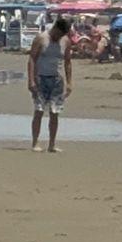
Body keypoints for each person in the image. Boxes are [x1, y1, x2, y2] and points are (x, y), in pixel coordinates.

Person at [26, 18, 73, 152]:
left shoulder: (65, 41)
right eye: (58, 34)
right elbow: (32, 60)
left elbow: (68, 62)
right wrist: (31, 81)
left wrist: (69, 82)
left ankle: (51, 144)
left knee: (54, 112)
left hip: (57, 80)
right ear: (55, 28)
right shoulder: (41, 39)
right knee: (39, 111)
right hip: (41, 78)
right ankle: (35, 142)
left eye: (62, 35)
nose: (59, 37)